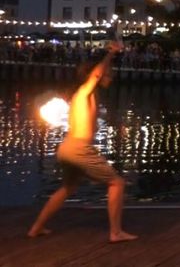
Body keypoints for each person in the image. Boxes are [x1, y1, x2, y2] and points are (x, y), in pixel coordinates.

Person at [27, 41, 137, 243]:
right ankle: (116, 232)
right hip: (78, 149)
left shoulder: (87, 97)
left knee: (68, 187)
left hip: (67, 148)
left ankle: (36, 228)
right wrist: (109, 54)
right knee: (117, 183)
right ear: (96, 75)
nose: (111, 77)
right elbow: (95, 75)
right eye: (108, 73)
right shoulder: (84, 92)